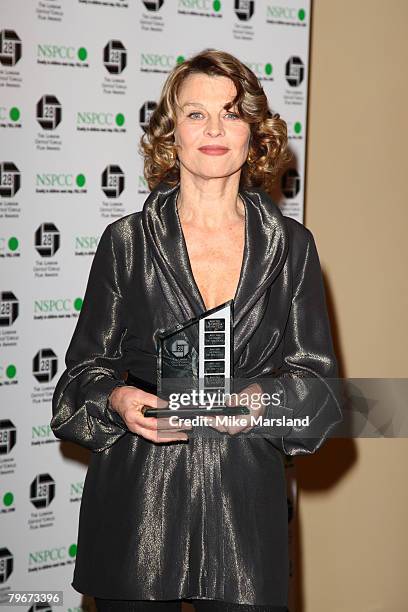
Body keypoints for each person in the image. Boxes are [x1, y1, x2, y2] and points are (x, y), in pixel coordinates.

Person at [51, 49, 342, 612]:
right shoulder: (126, 244)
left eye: (231, 113)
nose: (214, 129)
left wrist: (262, 398)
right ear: (171, 134)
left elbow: (320, 394)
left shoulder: (293, 249)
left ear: (254, 132)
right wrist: (117, 398)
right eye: (195, 114)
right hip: (138, 513)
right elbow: (77, 383)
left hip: (245, 516)